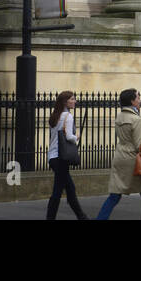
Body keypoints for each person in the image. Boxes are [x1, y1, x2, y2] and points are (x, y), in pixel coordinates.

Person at [96, 88, 141, 220]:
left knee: (115, 194)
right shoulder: (136, 119)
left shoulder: (120, 116)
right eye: (138, 98)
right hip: (132, 160)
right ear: (132, 101)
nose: (140, 100)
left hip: (119, 157)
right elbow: (139, 146)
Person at [46, 90, 88, 219]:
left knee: (67, 189)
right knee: (60, 191)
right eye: (72, 99)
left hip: (53, 157)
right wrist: (77, 137)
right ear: (65, 102)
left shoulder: (54, 116)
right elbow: (69, 137)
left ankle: (82, 217)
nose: (75, 101)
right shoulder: (68, 116)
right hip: (61, 158)